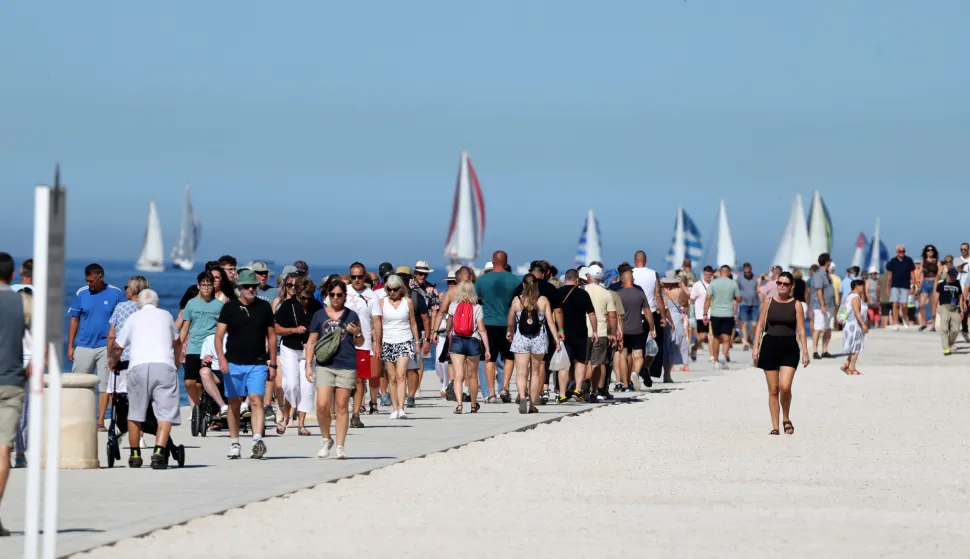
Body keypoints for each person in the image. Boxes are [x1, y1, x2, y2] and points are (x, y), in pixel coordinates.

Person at [112, 289, 183, 469]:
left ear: (139, 304)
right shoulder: (166, 316)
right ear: (156, 303)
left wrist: (113, 361)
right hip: (164, 366)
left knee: (135, 412)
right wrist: (176, 363)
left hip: (138, 367)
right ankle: (159, 452)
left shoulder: (133, 318)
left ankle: (135, 455)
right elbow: (177, 343)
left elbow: (118, 346)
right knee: (165, 413)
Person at [215, 269, 277, 460]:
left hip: (257, 363)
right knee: (234, 404)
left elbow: (272, 336)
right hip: (233, 363)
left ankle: (257, 440)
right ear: (239, 288)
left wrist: (272, 363)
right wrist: (222, 359)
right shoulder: (229, 307)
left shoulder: (265, 307)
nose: (251, 289)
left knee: (256, 400)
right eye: (247, 286)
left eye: (254, 286)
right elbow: (219, 336)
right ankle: (235, 442)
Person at [306, 279, 364, 459]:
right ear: (327, 296)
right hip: (325, 364)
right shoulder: (319, 315)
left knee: (341, 406)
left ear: (345, 296)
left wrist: (357, 334)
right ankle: (326, 439)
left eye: (340, 295)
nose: (336, 298)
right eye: (333, 295)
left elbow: (360, 342)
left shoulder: (351, 315)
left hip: (346, 364)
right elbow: (311, 341)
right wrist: (309, 364)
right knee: (322, 405)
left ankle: (340, 446)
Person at [68, 263, 126, 431]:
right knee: (78, 382)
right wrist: (71, 346)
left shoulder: (116, 293)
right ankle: (78, 418)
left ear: (100, 278)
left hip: (105, 346)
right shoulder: (82, 293)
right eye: (87, 280)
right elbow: (74, 320)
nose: (89, 284)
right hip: (84, 345)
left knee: (105, 384)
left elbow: (121, 320)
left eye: (91, 281)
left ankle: (100, 421)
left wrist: (118, 347)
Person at [752, 272, 809, 435]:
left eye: (785, 284)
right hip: (769, 346)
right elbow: (760, 325)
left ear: (791, 286)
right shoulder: (768, 302)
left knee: (785, 386)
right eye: (780, 283)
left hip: (789, 347)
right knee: (773, 388)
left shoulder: (796, 304)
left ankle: (786, 418)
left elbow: (801, 330)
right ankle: (775, 426)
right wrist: (755, 347)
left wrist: (805, 352)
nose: (782, 286)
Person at [274, 277, 321, 434]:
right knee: (292, 385)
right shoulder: (288, 305)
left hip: (309, 349)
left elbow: (322, 325)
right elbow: (275, 328)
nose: (306, 301)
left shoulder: (316, 305)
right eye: (303, 298)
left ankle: (301, 424)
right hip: (290, 348)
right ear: (297, 294)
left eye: (309, 297)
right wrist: (293, 330)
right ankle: (286, 418)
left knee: (307, 387)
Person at [0, 253, 26, 536]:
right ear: (13, 275)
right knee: (3, 448)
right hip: (11, 381)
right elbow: (42, 344)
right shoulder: (23, 302)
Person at [506, 275, 559, 412]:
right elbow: (550, 322)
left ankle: (523, 397)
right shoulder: (543, 300)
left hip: (521, 338)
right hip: (538, 339)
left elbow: (511, 321)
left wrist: (509, 331)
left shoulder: (517, 300)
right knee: (535, 373)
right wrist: (557, 339)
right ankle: (532, 404)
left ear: (523, 285)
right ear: (536, 285)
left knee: (521, 373)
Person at [475, 250, 520, 403]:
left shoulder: (482, 280)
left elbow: (475, 300)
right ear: (506, 262)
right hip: (509, 324)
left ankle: (491, 394)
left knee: (489, 358)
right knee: (509, 357)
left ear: (492, 261)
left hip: (488, 324)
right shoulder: (515, 280)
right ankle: (505, 388)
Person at [178, 272, 223, 419]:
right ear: (198, 286)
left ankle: (207, 407)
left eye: (209, 285)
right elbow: (184, 328)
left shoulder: (219, 306)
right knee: (189, 382)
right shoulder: (191, 304)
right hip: (193, 347)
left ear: (213, 286)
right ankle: (198, 407)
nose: (206, 288)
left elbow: (224, 329)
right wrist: (177, 347)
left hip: (210, 349)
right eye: (203, 285)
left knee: (201, 382)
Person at [442, 280, 490, 413]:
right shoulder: (477, 307)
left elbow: (449, 326)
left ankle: (459, 405)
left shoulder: (453, 306)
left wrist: (447, 336)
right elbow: (481, 330)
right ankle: (474, 405)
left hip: (457, 340)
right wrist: (487, 348)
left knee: (458, 375)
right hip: (473, 341)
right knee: (473, 376)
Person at [377, 274, 420, 420]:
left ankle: (401, 408)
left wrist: (417, 342)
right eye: (389, 289)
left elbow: (413, 322)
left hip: (405, 340)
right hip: (388, 342)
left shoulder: (407, 302)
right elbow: (379, 325)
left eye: (395, 289)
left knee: (401, 375)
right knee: (392, 377)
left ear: (401, 288)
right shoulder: (382, 303)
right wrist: (377, 342)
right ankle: (394, 408)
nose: (392, 292)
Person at [704, 265, 741, 369]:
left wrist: (704, 314)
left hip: (715, 314)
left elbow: (708, 299)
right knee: (727, 337)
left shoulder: (713, 283)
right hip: (728, 314)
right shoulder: (733, 283)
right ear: (729, 273)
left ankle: (715, 361)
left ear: (720, 272)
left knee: (716, 337)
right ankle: (723, 356)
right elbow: (739, 299)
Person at [810, 253, 838, 359]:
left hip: (830, 305)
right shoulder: (818, 274)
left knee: (828, 328)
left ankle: (825, 350)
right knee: (818, 328)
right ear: (827, 262)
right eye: (830, 260)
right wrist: (822, 305)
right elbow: (819, 290)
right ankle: (815, 351)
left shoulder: (827, 274)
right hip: (820, 306)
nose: (830, 262)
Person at [885, 245, 917, 330]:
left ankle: (904, 317)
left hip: (905, 285)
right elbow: (889, 276)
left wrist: (913, 286)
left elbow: (912, 275)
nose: (902, 253)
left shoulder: (908, 260)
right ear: (897, 252)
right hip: (895, 285)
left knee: (904, 305)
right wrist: (887, 287)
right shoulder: (893, 261)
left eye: (903, 251)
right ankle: (895, 323)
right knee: (895, 304)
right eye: (900, 251)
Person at [840, 280, 868, 375]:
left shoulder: (848, 296)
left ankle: (846, 364)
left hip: (848, 325)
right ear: (856, 286)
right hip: (854, 325)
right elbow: (857, 312)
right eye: (861, 286)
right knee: (856, 347)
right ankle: (853, 368)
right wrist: (863, 324)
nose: (863, 288)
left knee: (852, 346)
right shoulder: (856, 297)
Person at [936, 267, 965, 355]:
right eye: (952, 276)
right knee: (944, 328)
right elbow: (937, 296)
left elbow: (960, 297)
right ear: (947, 275)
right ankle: (946, 348)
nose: (953, 278)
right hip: (944, 307)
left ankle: (949, 342)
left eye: (955, 276)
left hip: (955, 307)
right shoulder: (941, 284)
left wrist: (962, 309)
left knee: (956, 329)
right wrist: (937, 306)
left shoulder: (957, 283)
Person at [736, 263, 760, 351]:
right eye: (745, 272)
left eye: (748, 272)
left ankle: (750, 337)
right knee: (744, 323)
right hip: (743, 304)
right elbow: (736, 289)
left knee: (754, 324)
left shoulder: (756, 278)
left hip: (754, 304)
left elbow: (759, 289)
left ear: (751, 270)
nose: (747, 274)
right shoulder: (739, 278)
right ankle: (745, 342)